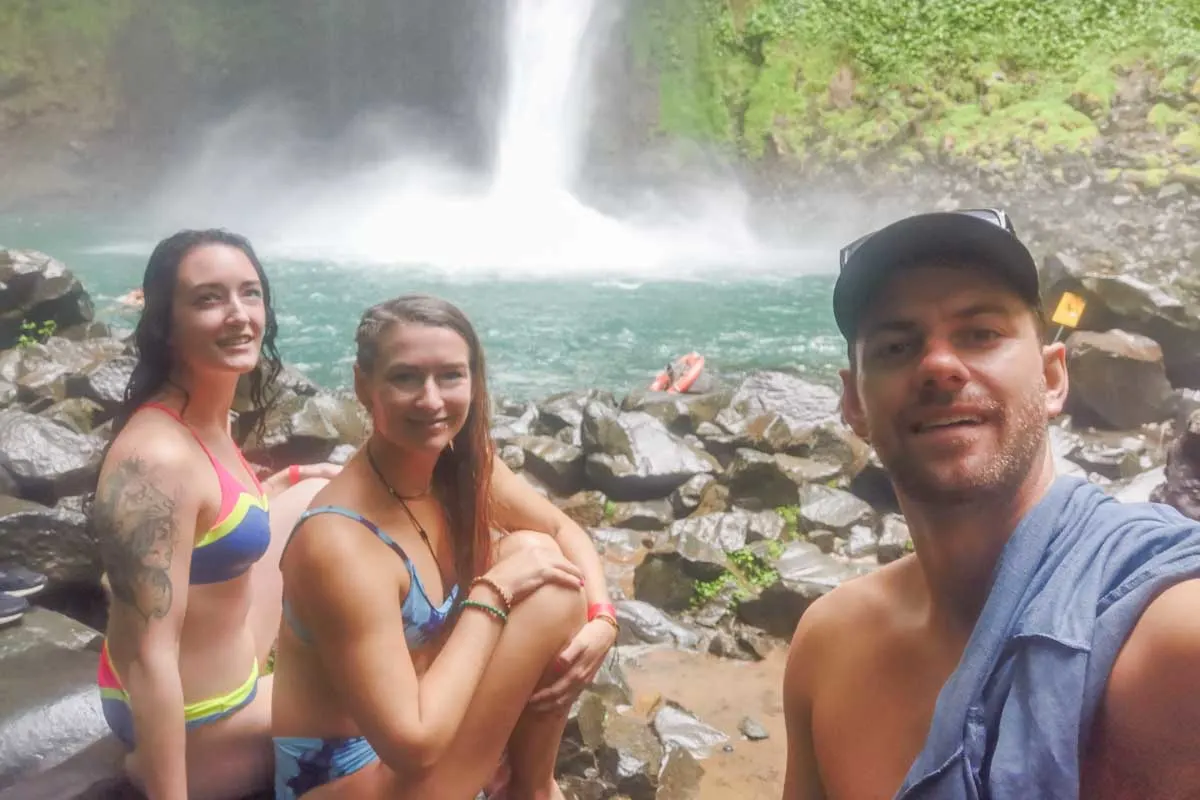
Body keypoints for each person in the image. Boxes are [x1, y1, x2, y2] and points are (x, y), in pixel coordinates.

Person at [781, 209, 1200, 799]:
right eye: (897, 346)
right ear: (853, 403)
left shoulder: (1171, 639)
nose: (939, 366)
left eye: (981, 334)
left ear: (1054, 379)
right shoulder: (827, 649)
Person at [271, 294, 619, 799]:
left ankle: (532, 785)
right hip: (348, 777)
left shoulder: (459, 466)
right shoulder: (339, 542)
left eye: (451, 376)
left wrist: (603, 619)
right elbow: (412, 744)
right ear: (362, 385)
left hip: (427, 739)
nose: (432, 400)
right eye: (406, 377)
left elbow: (564, 532)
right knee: (540, 583)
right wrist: (494, 591)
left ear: (474, 382)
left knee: (540, 553)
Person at [91, 229, 340, 800]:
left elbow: (201, 518)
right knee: (400, 689)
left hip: (224, 662)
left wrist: (273, 488)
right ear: (165, 323)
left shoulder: (203, 415)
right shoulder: (156, 460)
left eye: (249, 294)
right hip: (200, 720)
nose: (239, 315)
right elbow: (151, 655)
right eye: (208, 299)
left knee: (315, 499)